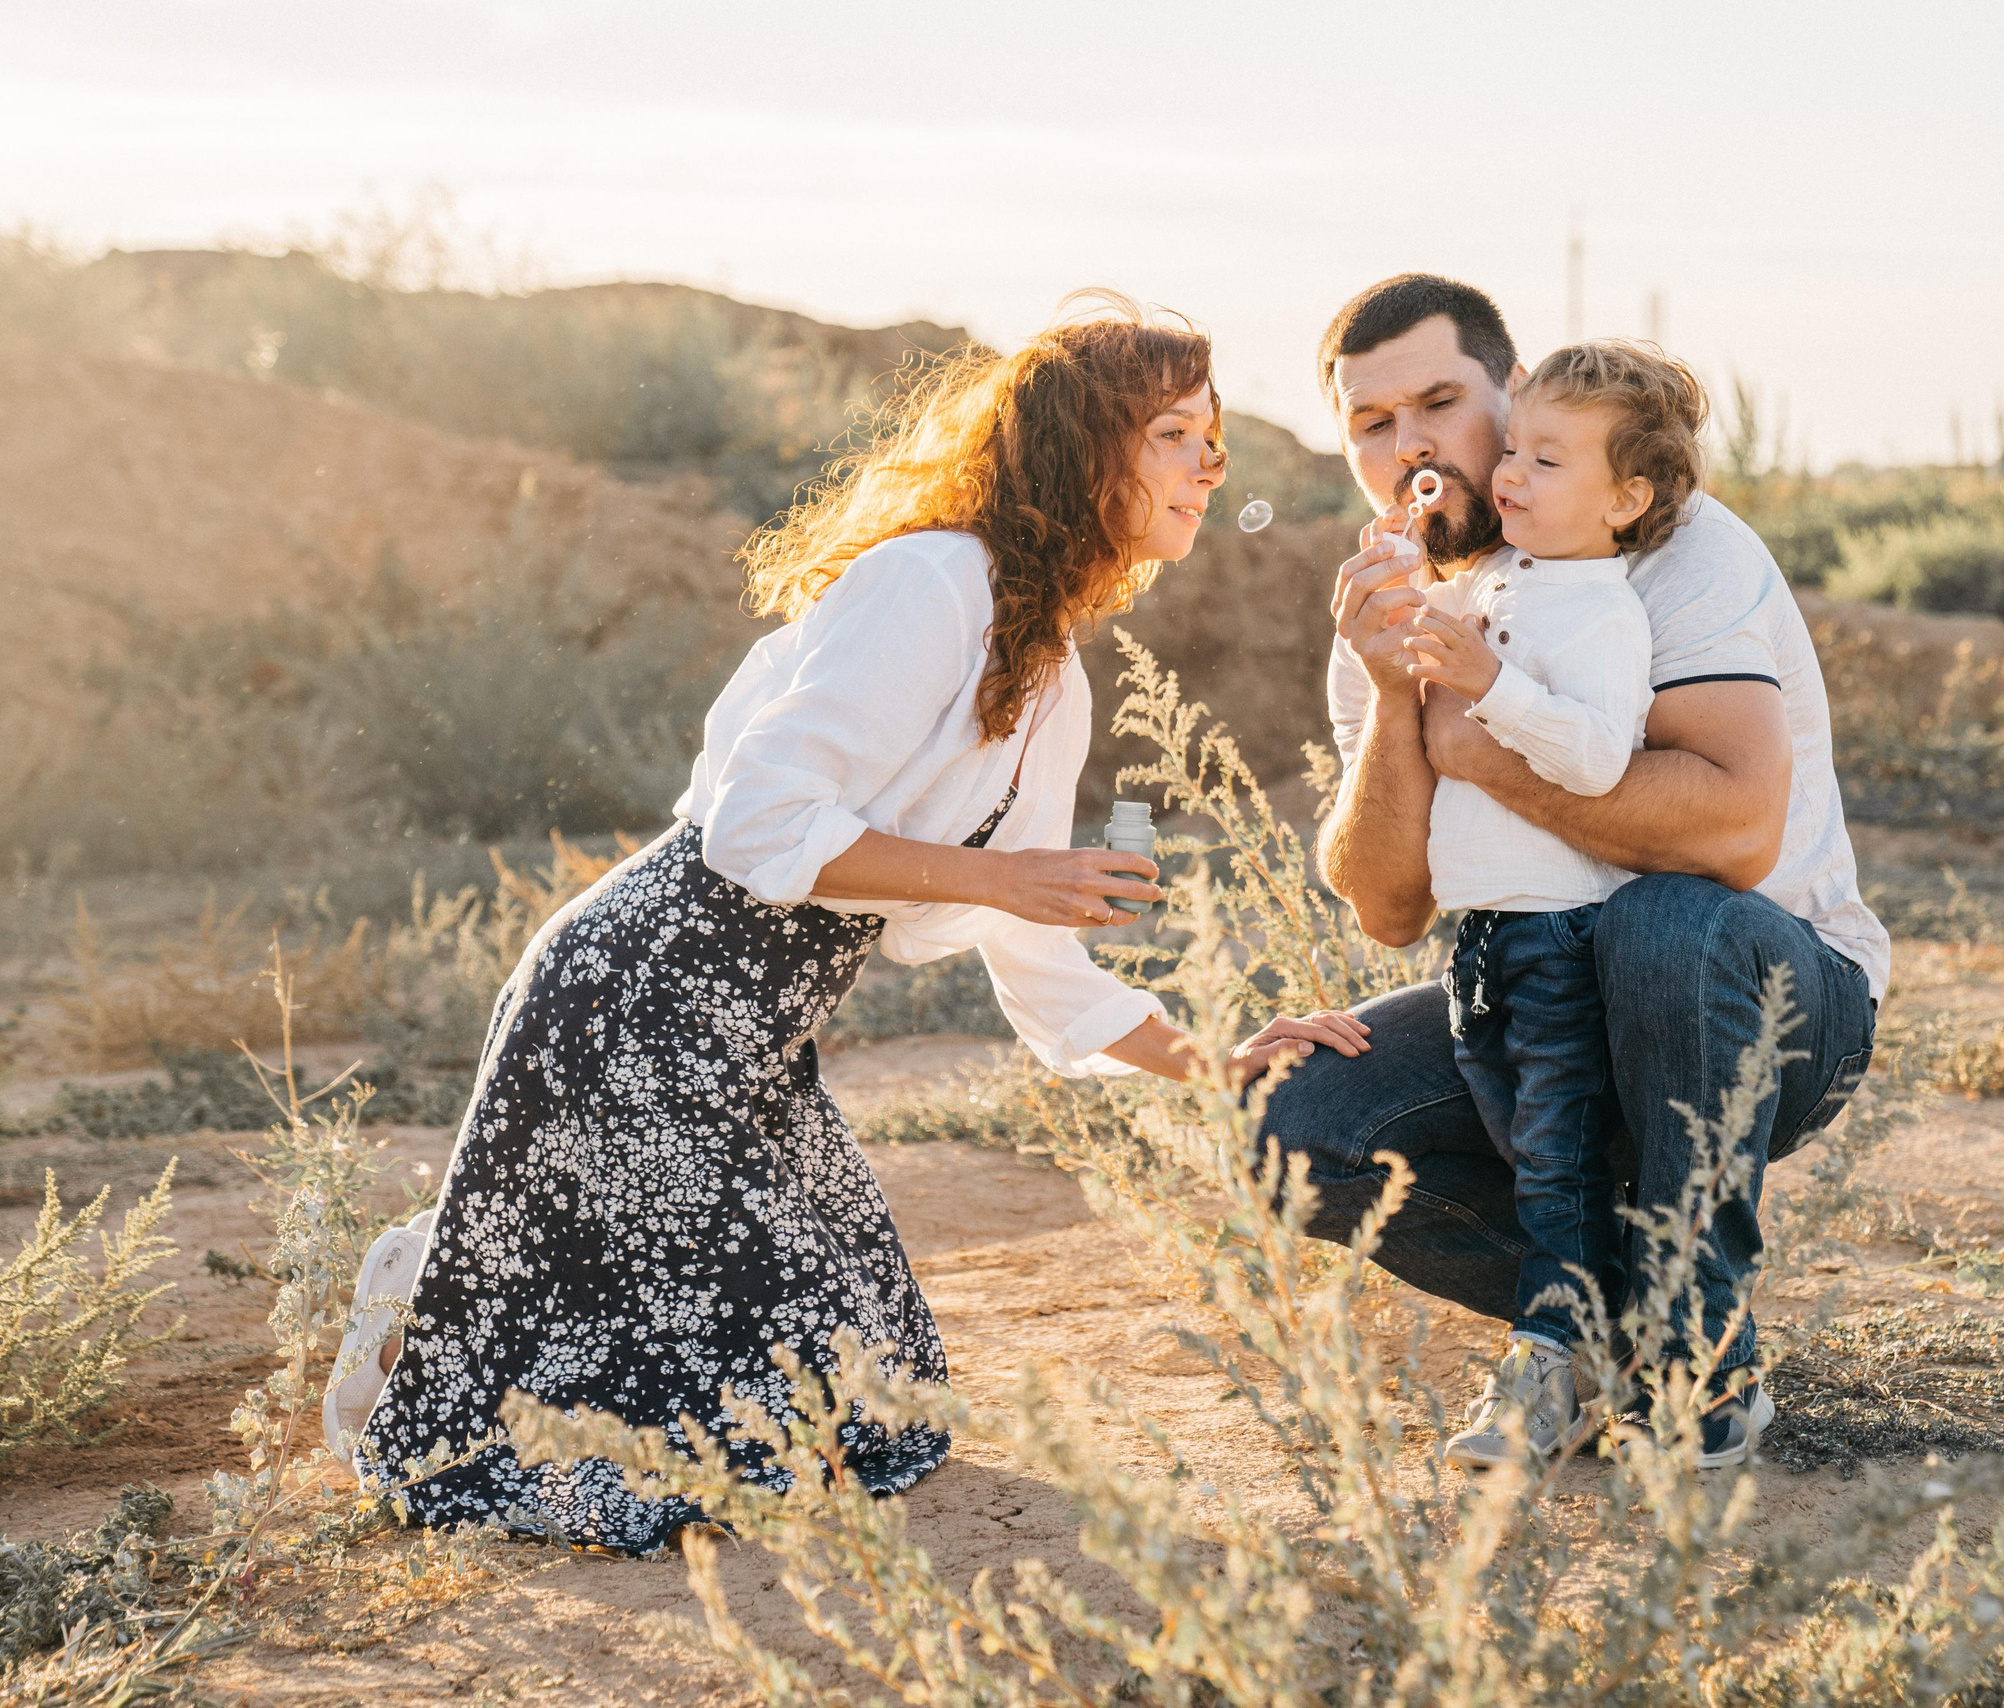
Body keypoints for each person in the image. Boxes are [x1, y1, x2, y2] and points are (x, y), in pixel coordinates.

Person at [354, 295, 1371, 1552]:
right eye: (1176, 433)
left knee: (873, 1418)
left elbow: (1040, 956)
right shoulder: (932, 579)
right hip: (635, 994)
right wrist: (996, 876)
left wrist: (1211, 1063)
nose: (1212, 466)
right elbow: (755, 825)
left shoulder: (1049, 670)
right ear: (1085, 448)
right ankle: (426, 1296)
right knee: (710, 1467)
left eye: (1216, 440)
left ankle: (442, 1265)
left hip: (754, 1034)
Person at [1270, 275, 1887, 1468]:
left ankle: (1698, 1351)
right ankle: (1595, 1332)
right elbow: (1392, 906)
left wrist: (1481, 749)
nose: (1413, 449)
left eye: (1441, 404)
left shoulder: (1671, 548)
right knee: (1299, 1116)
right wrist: (1401, 691)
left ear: (1511, 399)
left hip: (1763, 996)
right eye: (1373, 425)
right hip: (1541, 990)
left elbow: (1733, 836)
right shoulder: (1401, 607)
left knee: (1660, 922)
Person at [1385, 341, 1703, 1467]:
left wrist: (1489, 685)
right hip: (1480, 941)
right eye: (1512, 447)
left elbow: (1595, 757)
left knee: (1555, 1158)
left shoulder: (1600, 613)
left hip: (1558, 936)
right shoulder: (1500, 582)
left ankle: (1544, 1362)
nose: (1510, 473)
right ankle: (1614, 1344)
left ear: (1626, 499)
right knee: (1530, 1152)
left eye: (1547, 459)